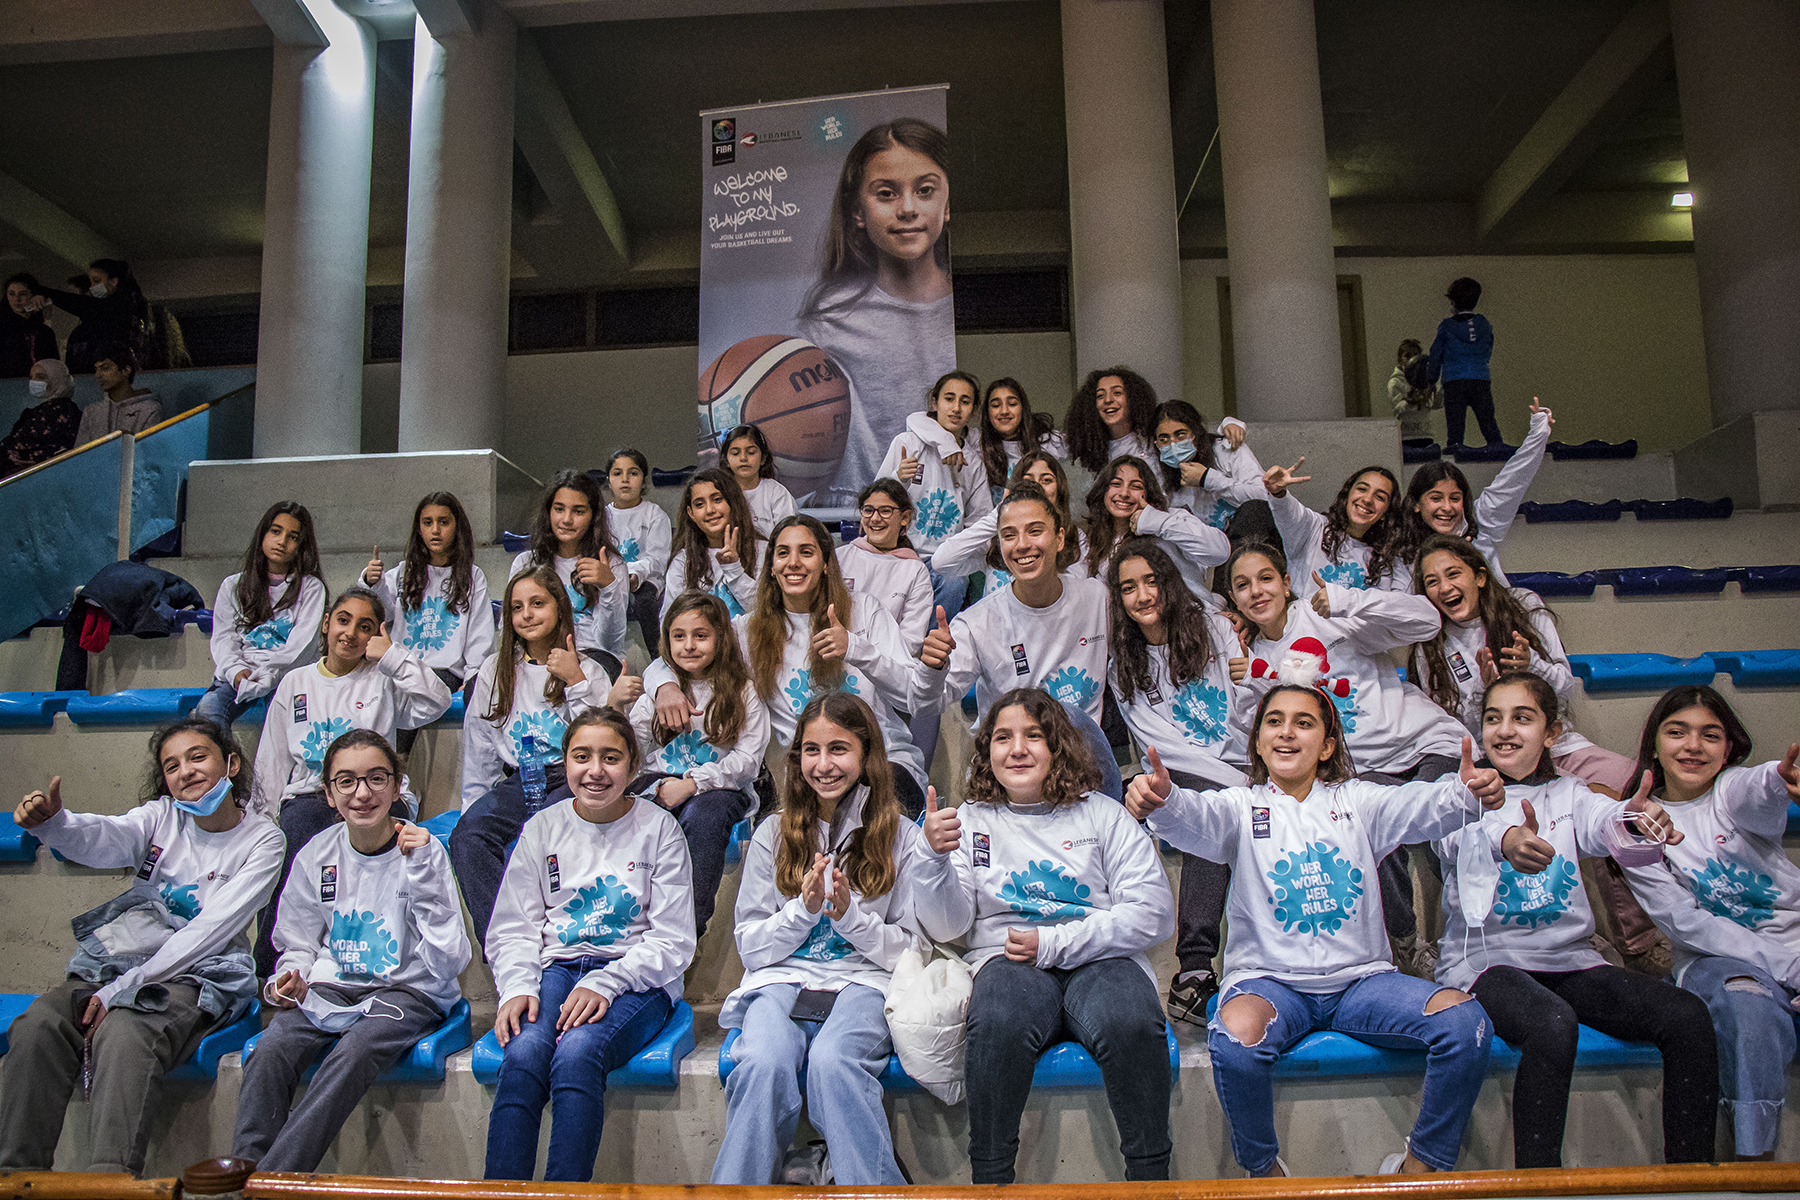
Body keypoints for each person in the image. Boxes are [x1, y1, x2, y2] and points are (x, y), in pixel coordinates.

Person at [1126, 684, 1505, 1177]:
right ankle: (1264, 1175)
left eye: (1303, 723)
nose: (1286, 732)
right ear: (1257, 741)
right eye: (1274, 722)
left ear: (1327, 746)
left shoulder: (1359, 801)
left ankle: (1419, 1168)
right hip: (1270, 986)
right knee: (1233, 1039)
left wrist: (1465, 793)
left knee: (1465, 1023)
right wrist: (1162, 799)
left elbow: (1420, 805)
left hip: (1362, 986)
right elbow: (1192, 816)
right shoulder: (1239, 806)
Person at [1434, 674, 1716, 1169]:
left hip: (1570, 962)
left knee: (1687, 1016)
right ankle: (1539, 1186)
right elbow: (1453, 838)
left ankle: (1691, 1180)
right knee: (1551, 1022)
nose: (1505, 730)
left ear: (1551, 733)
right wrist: (1507, 840)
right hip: (1484, 964)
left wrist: (1635, 821)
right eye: (1494, 718)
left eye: (1522, 718)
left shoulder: (1570, 794)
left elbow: (1606, 823)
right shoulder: (1457, 793)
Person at [0, 717, 284, 1175]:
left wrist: (122, 989)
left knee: (127, 1026)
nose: (185, 771)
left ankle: (109, 1179)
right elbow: (105, 838)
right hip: (120, 962)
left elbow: (207, 933)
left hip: (198, 973)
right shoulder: (160, 817)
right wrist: (55, 824)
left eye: (197, 757)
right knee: (39, 1024)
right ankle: (16, 1179)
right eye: (172, 766)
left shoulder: (264, 839)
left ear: (231, 763)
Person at [917, 689, 1175, 1183]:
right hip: (1007, 961)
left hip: (1101, 958)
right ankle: (990, 1185)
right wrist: (933, 860)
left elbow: (1154, 913)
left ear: (1057, 746)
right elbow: (948, 926)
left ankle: (1151, 1184)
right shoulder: (970, 820)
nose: (1017, 749)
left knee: (1130, 1020)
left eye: (1033, 736)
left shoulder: (1102, 813)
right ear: (987, 751)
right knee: (997, 1020)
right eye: (1002, 738)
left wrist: (1054, 944)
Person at [712, 693, 956, 1184]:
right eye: (811, 749)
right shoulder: (773, 833)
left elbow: (909, 951)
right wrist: (802, 912)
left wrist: (849, 919)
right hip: (780, 982)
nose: (823, 765)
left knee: (834, 1061)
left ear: (867, 755)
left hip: (863, 984)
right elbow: (752, 947)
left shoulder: (901, 836)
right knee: (762, 1063)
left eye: (839, 749)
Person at [231, 731, 470, 1173]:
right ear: (328, 793)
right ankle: (246, 1168)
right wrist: (291, 975)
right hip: (333, 988)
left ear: (397, 787)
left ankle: (271, 1180)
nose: (362, 793)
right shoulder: (316, 853)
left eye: (376, 778)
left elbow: (449, 962)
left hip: (407, 992)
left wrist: (422, 875)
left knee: (354, 1050)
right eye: (346, 781)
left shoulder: (424, 851)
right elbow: (297, 941)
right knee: (272, 1046)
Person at [1225, 541, 1467, 975]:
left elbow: (1427, 621)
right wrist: (1256, 684)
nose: (1256, 591)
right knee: (1368, 834)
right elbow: (1257, 732)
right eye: (1242, 585)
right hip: (1366, 772)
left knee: (1447, 831)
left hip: (1426, 744)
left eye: (1265, 578)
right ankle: (1405, 942)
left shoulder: (1324, 613)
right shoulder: (1253, 661)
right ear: (1234, 599)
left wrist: (1347, 599)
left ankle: (1474, 946)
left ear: (1286, 583)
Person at [482, 709, 695, 1183]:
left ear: (633, 766)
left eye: (610, 757)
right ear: (566, 762)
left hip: (635, 976)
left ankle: (566, 1192)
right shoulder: (543, 827)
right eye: (582, 756)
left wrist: (607, 981)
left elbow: (673, 940)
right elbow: (514, 926)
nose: (595, 770)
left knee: (578, 1053)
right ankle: (501, 1191)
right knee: (524, 1053)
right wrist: (518, 986)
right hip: (557, 968)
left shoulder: (660, 829)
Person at [1614, 686, 1800, 1160]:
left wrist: (1778, 779)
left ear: (1728, 748)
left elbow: (1758, 791)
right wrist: (1790, 968)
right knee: (1747, 1000)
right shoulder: (1637, 824)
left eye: (1710, 735)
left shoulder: (1732, 792)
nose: (1693, 746)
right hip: (1715, 961)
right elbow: (1686, 924)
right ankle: (1754, 1160)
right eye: (1677, 732)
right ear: (1655, 743)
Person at [652, 515, 927, 815]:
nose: (793, 562)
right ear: (771, 567)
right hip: (809, 775)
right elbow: (679, 655)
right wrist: (664, 686)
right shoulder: (748, 631)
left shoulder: (865, 611)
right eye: (783, 553)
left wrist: (857, 650)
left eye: (806, 552)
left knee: (876, 803)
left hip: (880, 761)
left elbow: (913, 695)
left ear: (826, 563)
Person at [250, 587, 452, 976]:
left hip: (377, 794)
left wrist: (392, 656)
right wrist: (260, 823)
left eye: (365, 627)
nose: (351, 633)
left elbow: (437, 700)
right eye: (343, 620)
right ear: (327, 623)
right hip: (312, 795)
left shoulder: (383, 679)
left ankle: (379, 958)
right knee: (292, 833)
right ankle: (275, 970)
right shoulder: (295, 682)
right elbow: (271, 760)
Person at [1106, 536, 1250, 1021]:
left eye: (1151, 581)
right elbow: (1160, 744)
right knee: (1208, 808)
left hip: (1242, 765)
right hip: (1186, 775)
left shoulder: (1215, 628)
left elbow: (1242, 705)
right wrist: (1235, 785)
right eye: (1129, 588)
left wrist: (1246, 775)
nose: (1143, 596)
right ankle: (1194, 969)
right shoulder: (1124, 664)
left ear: (1169, 582)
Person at [453, 568, 636, 943]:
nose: (527, 614)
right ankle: (503, 945)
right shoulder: (494, 670)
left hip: (573, 779)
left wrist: (575, 681)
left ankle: (554, 937)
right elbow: (480, 746)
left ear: (559, 608)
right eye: (517, 607)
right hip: (520, 778)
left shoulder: (588, 668)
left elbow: (600, 738)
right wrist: (474, 806)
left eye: (537, 603)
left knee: (541, 835)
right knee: (468, 837)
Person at [911, 485, 1121, 802]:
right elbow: (925, 704)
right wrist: (932, 670)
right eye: (1009, 535)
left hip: (1081, 774)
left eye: (1035, 531)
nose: (1022, 545)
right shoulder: (978, 622)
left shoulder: (1096, 599)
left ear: (1060, 539)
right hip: (1009, 777)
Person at [797, 117, 954, 502]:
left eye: (925, 190)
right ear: (857, 212)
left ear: (947, 204)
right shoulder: (829, 320)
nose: (908, 209)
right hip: (857, 513)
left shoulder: (959, 311)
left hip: (943, 507)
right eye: (886, 193)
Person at [628, 592, 770, 938]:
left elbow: (747, 761)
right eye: (679, 636)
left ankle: (687, 929)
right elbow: (630, 750)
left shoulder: (743, 691)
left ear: (721, 639)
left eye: (701, 635)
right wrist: (617, 705)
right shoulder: (658, 693)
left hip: (720, 787)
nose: (689, 645)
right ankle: (630, 922)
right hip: (660, 779)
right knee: (629, 810)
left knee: (704, 817)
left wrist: (692, 783)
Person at [362, 491, 492, 753]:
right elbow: (383, 614)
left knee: (411, 691)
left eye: (444, 522)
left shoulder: (472, 576)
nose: (436, 530)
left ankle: (396, 760)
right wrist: (372, 582)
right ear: (419, 529)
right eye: (428, 522)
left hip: (445, 672)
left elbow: (480, 634)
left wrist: (473, 676)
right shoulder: (403, 572)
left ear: (457, 527)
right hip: (400, 665)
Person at [1391, 399, 1556, 584]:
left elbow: (1516, 476)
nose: (1447, 507)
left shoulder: (1480, 520)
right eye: (1436, 498)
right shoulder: (1403, 550)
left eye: (1455, 498)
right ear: (1416, 504)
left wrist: (1539, 430)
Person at [197, 501, 328, 731]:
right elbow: (224, 640)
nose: (282, 541)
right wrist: (236, 672)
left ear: (301, 545)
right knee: (207, 711)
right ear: (263, 535)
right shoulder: (233, 585)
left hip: (289, 676)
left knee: (290, 724)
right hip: (241, 673)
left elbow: (301, 647)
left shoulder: (311, 588)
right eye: (276, 531)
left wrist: (270, 675)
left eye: (293, 537)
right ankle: (225, 756)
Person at [877, 370, 994, 623]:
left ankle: (930, 645)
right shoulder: (908, 443)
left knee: (955, 584)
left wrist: (959, 553)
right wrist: (898, 478)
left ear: (973, 410)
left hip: (944, 561)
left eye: (965, 401)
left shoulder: (972, 462)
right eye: (949, 399)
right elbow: (875, 503)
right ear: (934, 403)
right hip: (900, 553)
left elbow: (980, 519)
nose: (956, 408)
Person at [930, 450, 1085, 601]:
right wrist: (999, 516)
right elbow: (941, 562)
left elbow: (1076, 596)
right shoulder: (995, 539)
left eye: (1046, 480)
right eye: (1028, 481)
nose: (1037, 487)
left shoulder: (1074, 536)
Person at [510, 470, 629, 665]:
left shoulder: (611, 564)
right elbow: (511, 629)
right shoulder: (526, 563)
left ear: (593, 516)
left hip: (593, 658)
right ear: (548, 512)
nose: (566, 519)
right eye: (559, 509)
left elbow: (610, 643)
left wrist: (608, 587)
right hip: (541, 656)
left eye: (578, 511)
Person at [1081, 454, 1230, 593]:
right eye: (1116, 484)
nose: (1124, 493)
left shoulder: (1172, 517)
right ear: (1103, 491)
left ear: (1148, 492)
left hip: (1187, 610)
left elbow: (1219, 552)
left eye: (1136, 486)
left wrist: (1156, 521)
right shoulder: (1095, 540)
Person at [1262, 459, 1405, 596]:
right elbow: (1289, 512)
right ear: (1347, 494)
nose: (1367, 499)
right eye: (1362, 489)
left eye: (1380, 497)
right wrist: (1278, 493)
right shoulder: (1314, 527)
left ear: (1386, 511)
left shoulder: (1384, 556)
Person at [836, 478, 933, 654]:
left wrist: (870, 660)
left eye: (885, 511)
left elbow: (910, 640)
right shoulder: (840, 557)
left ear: (905, 518)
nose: (875, 518)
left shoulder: (915, 571)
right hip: (839, 656)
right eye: (868, 510)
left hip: (889, 664)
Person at [1150, 399, 1269, 540]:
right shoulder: (1157, 470)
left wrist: (1207, 479)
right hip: (1201, 547)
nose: (1173, 444)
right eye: (1164, 439)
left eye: (1180, 435)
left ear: (1196, 433)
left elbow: (1263, 498)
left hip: (1247, 540)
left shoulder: (1226, 450)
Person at [663, 467, 764, 620]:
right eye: (699, 504)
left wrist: (734, 570)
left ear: (733, 502)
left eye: (717, 500)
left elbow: (767, 612)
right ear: (691, 513)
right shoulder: (683, 561)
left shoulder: (763, 550)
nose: (709, 510)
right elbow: (670, 619)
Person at [605, 448, 672, 656]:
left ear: (644, 481)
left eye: (633, 473)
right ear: (609, 481)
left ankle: (657, 654)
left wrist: (634, 574)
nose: (625, 479)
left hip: (645, 580)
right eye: (617, 473)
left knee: (643, 600)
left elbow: (657, 558)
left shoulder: (655, 515)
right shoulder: (602, 517)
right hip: (609, 578)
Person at [36, 258, 150, 375]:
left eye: (97, 281)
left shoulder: (114, 309)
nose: (92, 287)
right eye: (91, 282)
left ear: (113, 282)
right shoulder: (130, 308)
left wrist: (44, 292)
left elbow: (78, 304)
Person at [1427, 276, 1503, 450]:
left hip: (1454, 380)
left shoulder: (1447, 326)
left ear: (1453, 301)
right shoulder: (1484, 324)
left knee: (1455, 429)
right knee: (1488, 424)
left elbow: (1436, 353)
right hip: (1480, 378)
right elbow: (1488, 348)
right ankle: (1501, 454)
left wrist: (1431, 379)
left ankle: (1455, 456)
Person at [976, 377, 1064, 501]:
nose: (1004, 411)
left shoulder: (1050, 442)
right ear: (987, 412)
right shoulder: (977, 446)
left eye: (1012, 404)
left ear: (1023, 408)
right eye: (996, 405)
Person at [1063, 366, 1158, 476]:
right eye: (1100, 396)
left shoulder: (1155, 444)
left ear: (1133, 398)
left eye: (1117, 393)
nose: (1108, 400)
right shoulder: (1086, 449)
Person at [1, 358, 81, 474]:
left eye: (40, 377)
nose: (34, 381)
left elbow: (24, 444)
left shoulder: (64, 412)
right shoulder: (35, 412)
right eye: (32, 377)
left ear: (57, 379)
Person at [75, 345, 162, 446]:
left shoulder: (150, 409)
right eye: (96, 370)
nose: (98, 375)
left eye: (105, 368)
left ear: (126, 370)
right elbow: (80, 452)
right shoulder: (91, 412)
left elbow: (149, 449)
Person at [723, 423, 798, 539]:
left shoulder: (777, 493)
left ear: (763, 458)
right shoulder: (719, 492)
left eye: (751, 452)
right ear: (726, 460)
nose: (743, 458)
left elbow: (789, 536)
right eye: (735, 453)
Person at [1, 272, 58, 378]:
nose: (17, 300)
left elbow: (52, 365)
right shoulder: (4, 327)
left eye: (23, 294)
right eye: (11, 294)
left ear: (33, 295)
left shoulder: (44, 332)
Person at [1388, 339, 1440, 449]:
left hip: (1425, 434)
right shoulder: (1395, 382)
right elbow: (1398, 409)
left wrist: (1438, 390)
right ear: (1399, 359)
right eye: (1407, 356)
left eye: (1415, 355)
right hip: (1406, 437)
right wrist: (1411, 400)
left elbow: (1436, 404)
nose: (1412, 359)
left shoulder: (1426, 379)